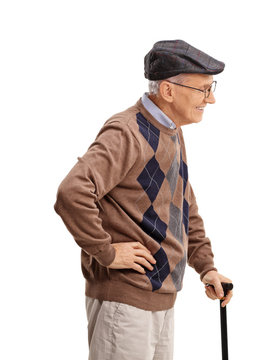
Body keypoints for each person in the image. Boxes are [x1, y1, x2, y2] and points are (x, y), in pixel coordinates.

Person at [54, 39, 233, 360]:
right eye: (204, 89)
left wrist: (206, 268)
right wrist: (106, 252)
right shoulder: (127, 132)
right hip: (125, 303)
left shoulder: (171, 130)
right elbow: (73, 192)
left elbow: (183, 204)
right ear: (168, 90)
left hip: (160, 298)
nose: (212, 99)